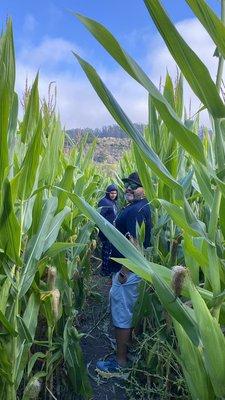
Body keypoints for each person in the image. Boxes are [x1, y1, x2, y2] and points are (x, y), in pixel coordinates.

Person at [96, 172, 152, 376]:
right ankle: (126, 352)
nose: (128, 188)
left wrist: (124, 272)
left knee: (122, 315)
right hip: (132, 271)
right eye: (126, 184)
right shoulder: (140, 206)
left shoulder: (137, 210)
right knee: (127, 313)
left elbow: (134, 243)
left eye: (134, 186)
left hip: (128, 273)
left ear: (145, 189)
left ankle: (120, 364)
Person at [98, 184, 118, 276]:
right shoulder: (104, 202)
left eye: (115, 193)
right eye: (111, 193)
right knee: (107, 251)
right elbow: (100, 217)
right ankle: (105, 271)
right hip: (106, 232)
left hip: (112, 231)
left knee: (109, 250)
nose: (113, 195)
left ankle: (107, 269)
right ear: (108, 193)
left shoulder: (112, 202)